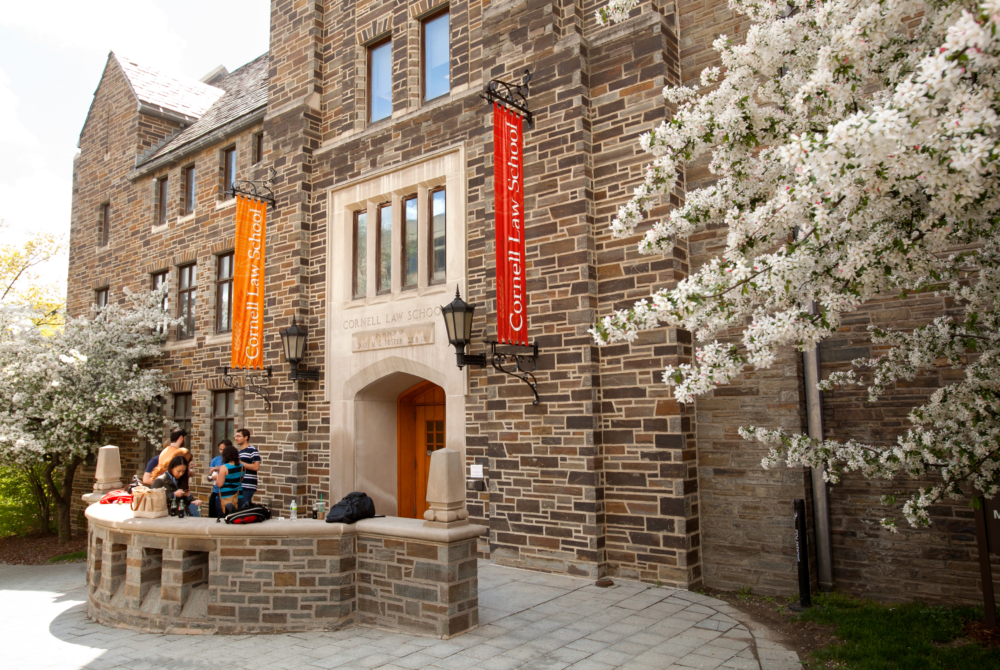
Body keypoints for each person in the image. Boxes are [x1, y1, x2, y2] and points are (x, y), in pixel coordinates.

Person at [214, 444, 244, 516]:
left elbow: (219, 484)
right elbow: (240, 479)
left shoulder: (224, 467)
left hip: (226, 497)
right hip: (238, 496)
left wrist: (216, 477)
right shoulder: (242, 466)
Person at [235, 428, 261, 507]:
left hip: (248, 485)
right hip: (239, 485)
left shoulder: (252, 450)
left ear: (246, 437)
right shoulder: (238, 452)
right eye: (235, 436)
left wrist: (241, 463)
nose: (236, 438)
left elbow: (256, 467)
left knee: (244, 507)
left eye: (238, 436)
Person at [207, 439, 232, 518]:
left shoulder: (232, 462)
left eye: (223, 449)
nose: (221, 451)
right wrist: (211, 475)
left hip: (227, 492)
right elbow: (209, 477)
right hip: (216, 490)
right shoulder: (215, 460)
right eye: (220, 449)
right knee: (212, 515)